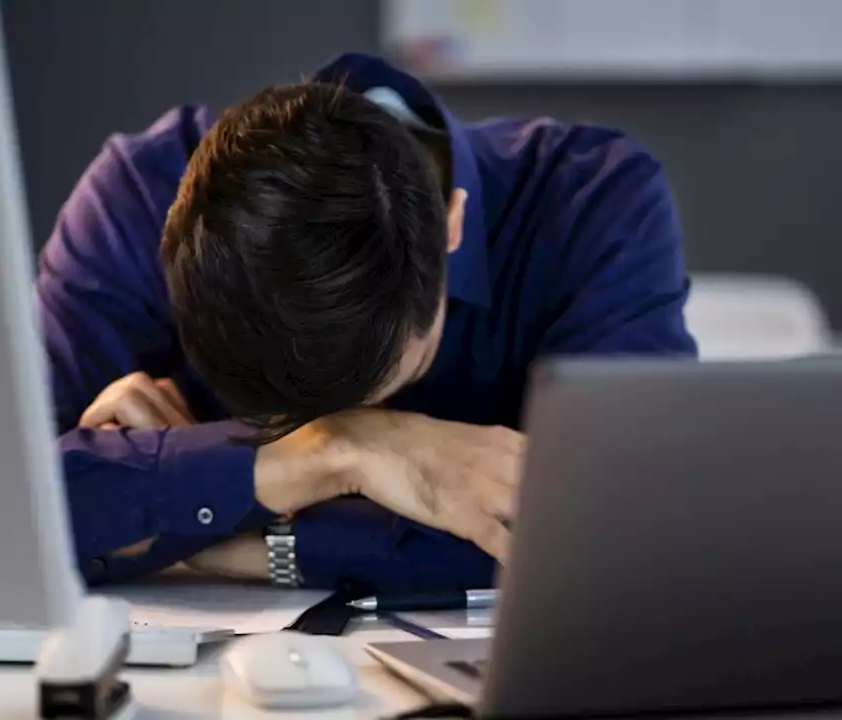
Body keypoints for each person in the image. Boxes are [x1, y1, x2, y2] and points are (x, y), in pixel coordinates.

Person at [40, 53, 696, 594]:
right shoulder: (134, 201)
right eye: (290, 421)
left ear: (453, 228)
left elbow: (623, 532)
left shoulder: (592, 204)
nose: (330, 428)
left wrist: (207, 526)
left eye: (369, 403)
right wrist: (343, 451)